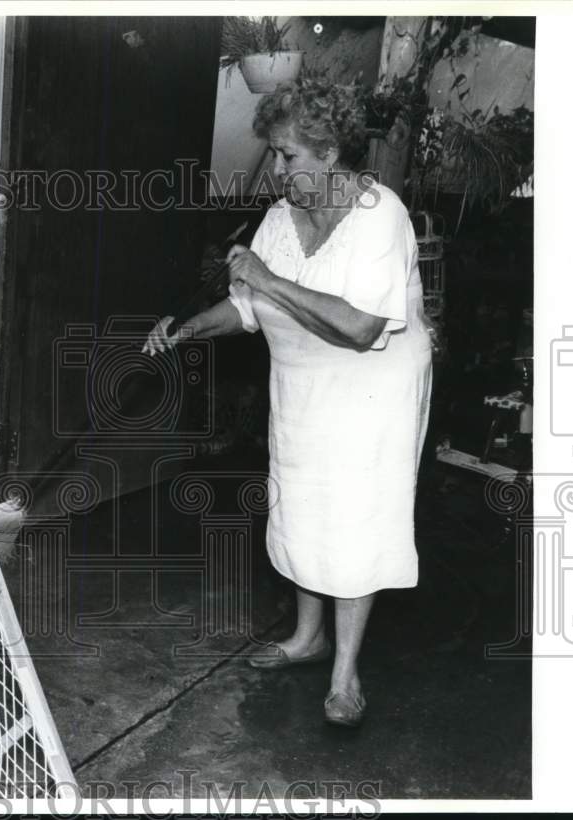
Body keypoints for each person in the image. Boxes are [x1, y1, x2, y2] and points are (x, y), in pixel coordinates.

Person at [142, 78, 433, 727]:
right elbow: (248, 307)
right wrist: (184, 331)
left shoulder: (378, 216)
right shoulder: (278, 219)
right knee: (301, 501)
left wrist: (268, 279)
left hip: (372, 391)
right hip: (303, 382)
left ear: (330, 152)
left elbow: (360, 329)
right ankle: (308, 636)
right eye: (274, 154)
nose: (276, 169)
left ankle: (345, 673)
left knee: (355, 515)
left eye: (288, 156)